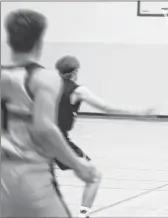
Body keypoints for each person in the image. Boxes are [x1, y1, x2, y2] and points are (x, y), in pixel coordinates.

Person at [1, 9, 100, 218]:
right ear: (39, 42)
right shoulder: (44, 78)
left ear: (8, 41)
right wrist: (77, 165)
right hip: (30, 177)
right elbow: (44, 128)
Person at [53, 55, 156, 217]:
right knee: (94, 177)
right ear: (75, 72)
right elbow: (106, 107)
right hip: (59, 140)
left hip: (38, 137)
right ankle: (83, 215)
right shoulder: (78, 90)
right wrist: (138, 112)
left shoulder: (45, 86)